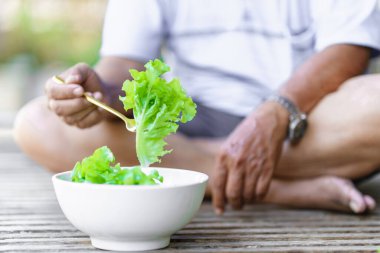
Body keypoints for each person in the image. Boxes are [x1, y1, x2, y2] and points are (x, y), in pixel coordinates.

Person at [14, 0, 380, 214]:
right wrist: (100, 93)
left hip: (306, 120)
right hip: (192, 122)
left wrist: (275, 111)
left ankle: (198, 174)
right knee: (35, 122)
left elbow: (348, 50)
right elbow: (124, 62)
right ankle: (277, 187)